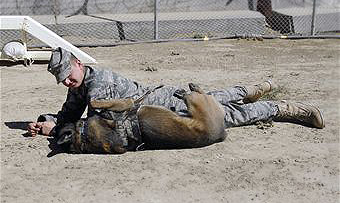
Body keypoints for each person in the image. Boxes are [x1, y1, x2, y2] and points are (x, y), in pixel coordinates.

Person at [27, 47, 325, 138]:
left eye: (68, 75)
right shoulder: (81, 86)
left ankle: (283, 108)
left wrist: (56, 132)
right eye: (62, 80)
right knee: (216, 98)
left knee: (226, 115)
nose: (67, 82)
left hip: (165, 109)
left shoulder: (98, 84)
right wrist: (47, 121)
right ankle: (248, 90)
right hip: (159, 103)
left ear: (79, 63)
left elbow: (94, 128)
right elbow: (68, 114)